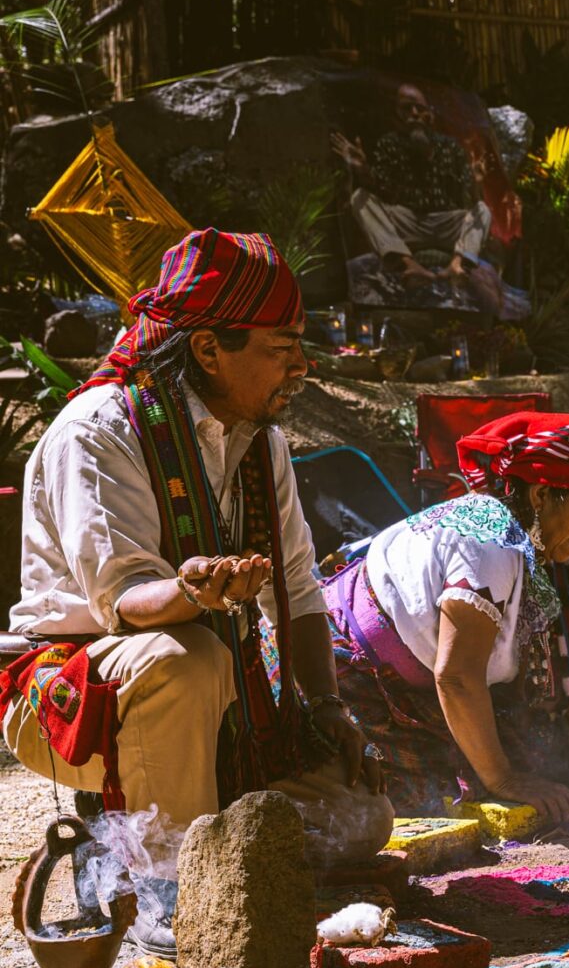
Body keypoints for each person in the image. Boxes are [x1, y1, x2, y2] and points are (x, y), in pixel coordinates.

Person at [2, 228, 389, 862]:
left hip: (222, 704)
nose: (301, 366)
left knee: (362, 816)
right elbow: (124, 599)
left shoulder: (261, 442)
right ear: (209, 349)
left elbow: (297, 588)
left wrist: (326, 707)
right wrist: (191, 591)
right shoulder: (98, 431)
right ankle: (166, 881)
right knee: (187, 658)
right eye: (282, 347)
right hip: (76, 700)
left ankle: (213, 846)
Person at [324, 412, 569, 824]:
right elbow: (456, 677)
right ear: (541, 496)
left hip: (422, 684)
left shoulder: (541, 546)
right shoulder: (491, 545)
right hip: (348, 675)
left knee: (547, 752)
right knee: (401, 797)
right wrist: (504, 780)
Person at [333, 83, 492, 294]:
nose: (414, 114)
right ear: (398, 115)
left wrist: (476, 181)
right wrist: (363, 169)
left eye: (419, 108)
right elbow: (382, 188)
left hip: (446, 223)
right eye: (407, 108)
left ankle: (457, 265)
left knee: (482, 210)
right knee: (360, 198)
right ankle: (409, 265)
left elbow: (466, 198)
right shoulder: (390, 144)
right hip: (408, 222)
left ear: (429, 113)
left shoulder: (450, 146)